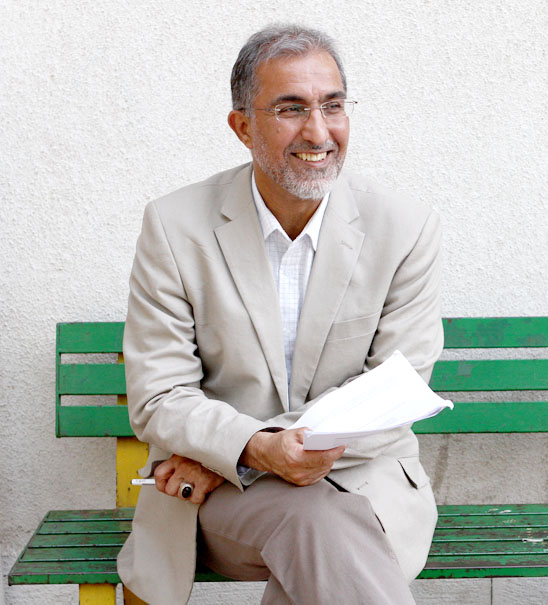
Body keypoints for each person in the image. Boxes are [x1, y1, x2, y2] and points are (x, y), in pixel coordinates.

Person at [116, 23, 442, 605]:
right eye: (291, 109)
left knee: (320, 527)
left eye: (333, 106)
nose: (318, 131)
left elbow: (397, 389)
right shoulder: (175, 227)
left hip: (361, 479)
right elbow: (159, 396)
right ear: (242, 126)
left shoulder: (404, 228)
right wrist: (254, 452)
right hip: (222, 500)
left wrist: (239, 452)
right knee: (315, 523)